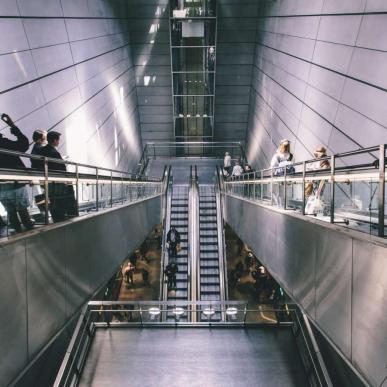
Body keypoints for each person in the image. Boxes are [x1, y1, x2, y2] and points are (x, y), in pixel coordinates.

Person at [0, 113, 34, 232]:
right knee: (22, 209)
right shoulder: (4, 143)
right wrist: (12, 125)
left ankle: (17, 230)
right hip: (15, 183)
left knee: (11, 211)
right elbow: (24, 144)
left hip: (1, 187)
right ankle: (29, 230)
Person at [40, 131, 77, 222]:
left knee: (53, 199)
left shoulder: (43, 150)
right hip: (58, 181)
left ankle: (56, 216)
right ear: (55, 140)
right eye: (58, 140)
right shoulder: (54, 152)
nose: (59, 142)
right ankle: (64, 216)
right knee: (60, 199)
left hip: (49, 181)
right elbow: (60, 167)